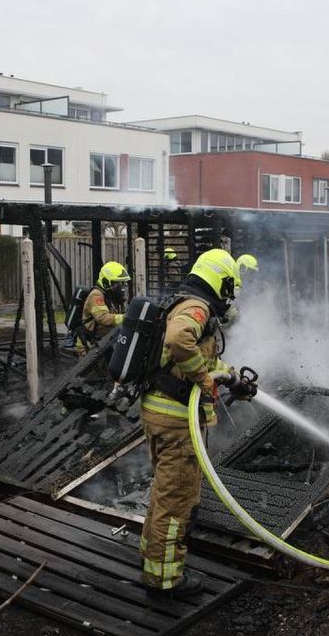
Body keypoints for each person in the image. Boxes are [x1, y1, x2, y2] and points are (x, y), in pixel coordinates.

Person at [138, 248, 253, 595]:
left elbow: (196, 358)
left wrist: (231, 378)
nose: (229, 296)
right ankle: (165, 579)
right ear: (221, 280)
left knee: (164, 494)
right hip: (177, 424)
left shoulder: (184, 301)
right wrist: (203, 378)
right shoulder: (196, 308)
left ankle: (151, 557)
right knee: (177, 502)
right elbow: (178, 341)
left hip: (160, 413)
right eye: (229, 287)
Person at [77, 261, 130, 355]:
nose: (122, 287)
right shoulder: (96, 295)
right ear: (106, 282)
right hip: (90, 345)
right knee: (96, 370)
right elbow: (103, 318)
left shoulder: (112, 296)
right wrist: (125, 318)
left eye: (123, 283)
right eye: (118, 283)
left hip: (104, 342)